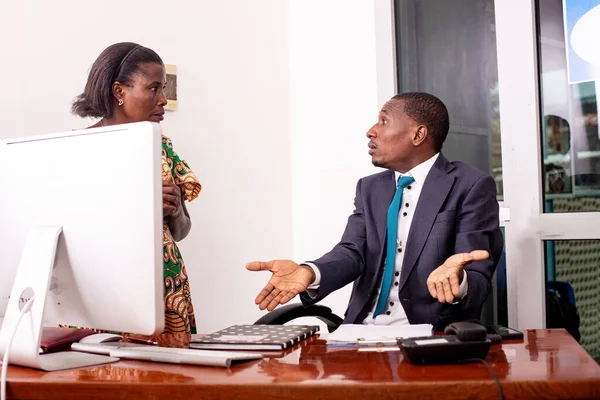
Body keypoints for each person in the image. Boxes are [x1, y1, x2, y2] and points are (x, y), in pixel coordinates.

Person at [247, 92, 503, 328]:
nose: (371, 132)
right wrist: (310, 271)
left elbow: (479, 279)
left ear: (418, 135)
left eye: (383, 121)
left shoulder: (470, 186)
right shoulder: (370, 188)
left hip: (430, 335)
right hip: (360, 331)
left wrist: (459, 280)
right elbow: (353, 252)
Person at [72, 42, 201, 334]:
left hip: (167, 292)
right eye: (154, 88)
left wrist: (176, 208)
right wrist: (139, 206)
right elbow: (69, 234)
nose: (163, 100)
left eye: (164, 89)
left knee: (171, 377)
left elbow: (180, 232)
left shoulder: (163, 148)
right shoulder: (76, 151)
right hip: (103, 295)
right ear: (120, 91)